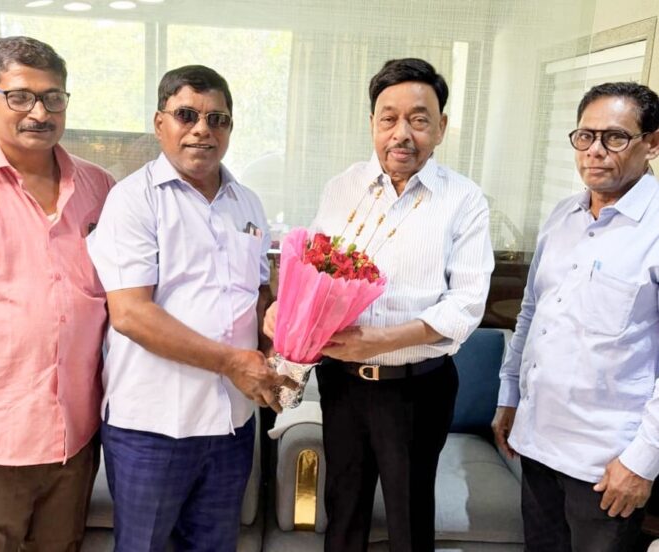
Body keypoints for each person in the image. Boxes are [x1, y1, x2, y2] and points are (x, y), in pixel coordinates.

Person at [265, 58, 494, 552]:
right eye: (389, 118)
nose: (402, 133)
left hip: (417, 387)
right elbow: (316, 272)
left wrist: (382, 340)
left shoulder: (464, 199)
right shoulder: (341, 188)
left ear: (441, 127)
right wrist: (287, 312)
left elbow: (466, 304)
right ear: (372, 123)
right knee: (342, 510)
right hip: (343, 386)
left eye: (418, 119)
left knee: (409, 520)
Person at [87, 64, 295, 552]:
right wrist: (233, 362)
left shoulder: (247, 203)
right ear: (160, 123)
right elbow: (131, 314)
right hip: (152, 428)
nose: (203, 129)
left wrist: (277, 341)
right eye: (187, 115)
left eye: (217, 119)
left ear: (230, 128)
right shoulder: (133, 200)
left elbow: (256, 294)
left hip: (230, 424)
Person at [492, 81, 659, 552]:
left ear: (652, 143)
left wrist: (643, 461)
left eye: (615, 137)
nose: (595, 151)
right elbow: (531, 314)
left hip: (607, 466)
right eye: (585, 136)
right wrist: (509, 397)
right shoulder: (563, 215)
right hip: (537, 444)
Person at [0, 36, 114, 551]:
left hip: (76, 436)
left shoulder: (100, 188)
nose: (40, 113)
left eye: (53, 98)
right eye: (21, 97)